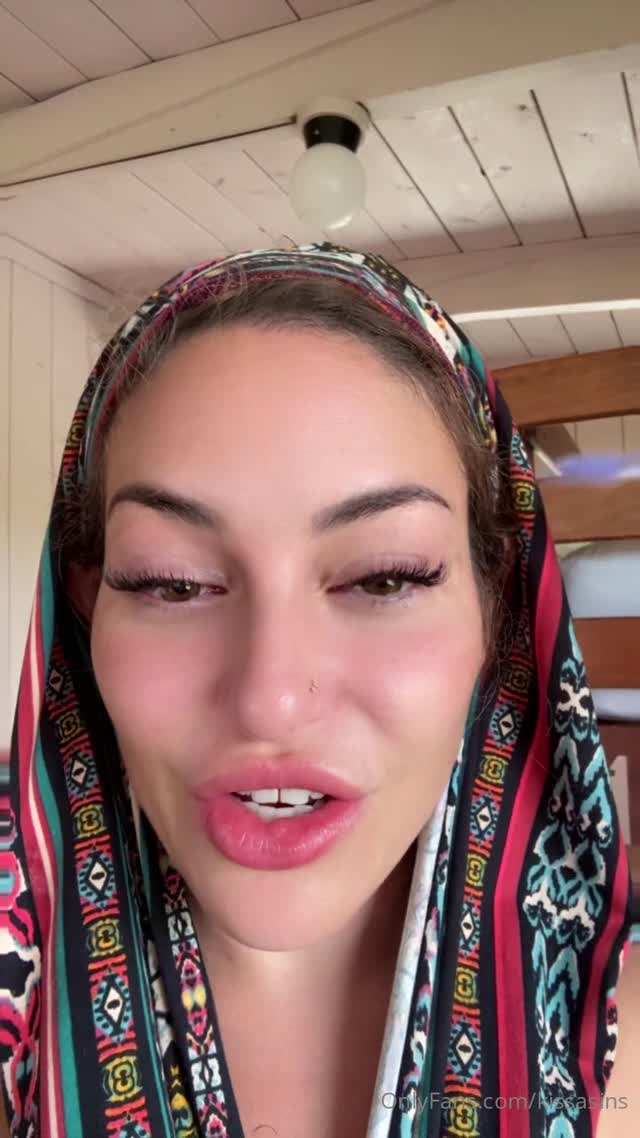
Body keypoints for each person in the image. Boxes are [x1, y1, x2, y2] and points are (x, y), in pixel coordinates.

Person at [0, 243, 633, 1138]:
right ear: (84, 605)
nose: (271, 700)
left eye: (385, 577)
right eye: (171, 582)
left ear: (497, 610)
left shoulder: (619, 1042)